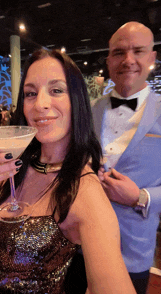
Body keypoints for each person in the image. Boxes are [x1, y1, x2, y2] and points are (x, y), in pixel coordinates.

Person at [0, 49, 136, 294]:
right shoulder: (11, 160)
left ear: (76, 100)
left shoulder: (85, 191)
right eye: (31, 93)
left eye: (56, 90)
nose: (40, 104)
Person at [91, 22, 160, 294]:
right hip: (83, 245)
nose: (128, 60)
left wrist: (140, 196)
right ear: (109, 62)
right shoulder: (91, 110)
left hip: (133, 252)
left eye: (138, 51)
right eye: (119, 53)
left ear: (152, 58)